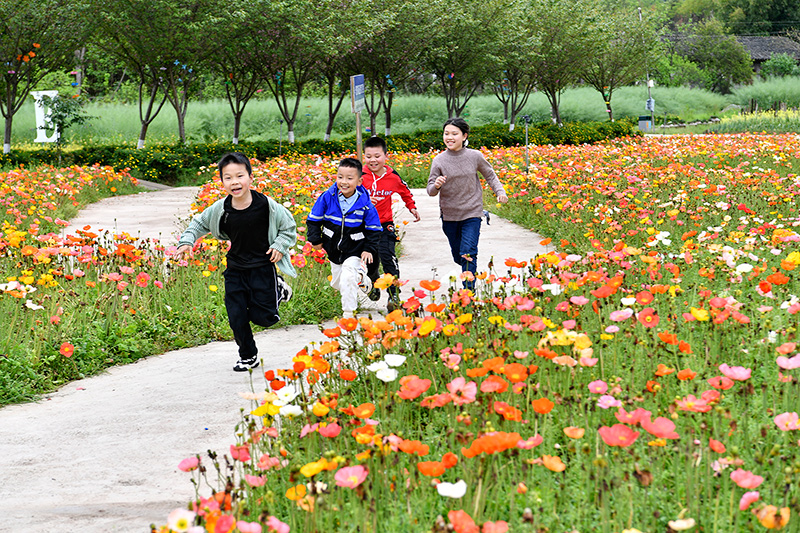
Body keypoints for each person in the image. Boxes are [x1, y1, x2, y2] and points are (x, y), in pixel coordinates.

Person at [176, 152, 297, 372]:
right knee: (236, 315)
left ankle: (278, 288)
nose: (234, 182)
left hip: (262, 266)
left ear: (250, 177)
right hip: (236, 268)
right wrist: (187, 241)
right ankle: (248, 355)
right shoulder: (221, 209)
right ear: (222, 182)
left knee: (265, 318)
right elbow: (198, 223)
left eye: (240, 176)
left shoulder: (267, 206)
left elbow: (288, 227)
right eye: (228, 177)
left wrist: (279, 245)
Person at [427, 118, 508, 290]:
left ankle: (468, 292)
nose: (449, 137)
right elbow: (430, 191)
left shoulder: (474, 156)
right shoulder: (439, 160)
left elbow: (490, 175)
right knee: (459, 256)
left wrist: (500, 192)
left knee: (468, 252)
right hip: (449, 215)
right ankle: (466, 270)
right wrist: (437, 185)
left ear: (464, 136)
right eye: (446, 133)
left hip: (472, 213)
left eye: (454, 134)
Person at [306, 157, 382, 317]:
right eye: (340, 177)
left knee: (348, 277)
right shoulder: (327, 197)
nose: (344, 182)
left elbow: (374, 230)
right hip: (333, 248)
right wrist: (315, 239)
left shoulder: (366, 205)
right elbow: (313, 220)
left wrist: (368, 249)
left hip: (355, 248)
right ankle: (362, 280)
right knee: (338, 283)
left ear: (359, 181)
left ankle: (349, 314)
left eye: (349, 178)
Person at [361, 136, 420, 311]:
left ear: (386, 156)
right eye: (368, 156)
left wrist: (412, 207)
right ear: (364, 157)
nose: (373, 160)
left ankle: (394, 296)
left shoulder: (392, 177)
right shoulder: (359, 175)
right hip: (363, 226)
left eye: (377, 156)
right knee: (371, 262)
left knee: (388, 258)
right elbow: (344, 193)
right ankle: (373, 280)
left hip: (384, 224)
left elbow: (405, 192)